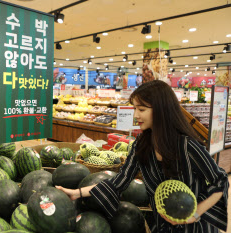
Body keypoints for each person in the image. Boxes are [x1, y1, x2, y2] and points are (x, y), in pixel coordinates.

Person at [56, 80, 229, 233]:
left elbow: (220, 181)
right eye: (135, 109)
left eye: (142, 109)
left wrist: (196, 213)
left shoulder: (187, 146)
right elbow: (119, 181)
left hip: (196, 228)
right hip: (163, 225)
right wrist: (76, 193)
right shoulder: (142, 143)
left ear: (162, 109)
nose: (136, 115)